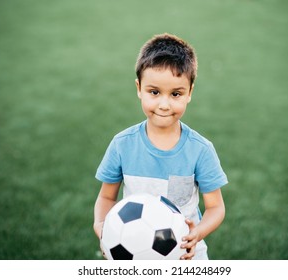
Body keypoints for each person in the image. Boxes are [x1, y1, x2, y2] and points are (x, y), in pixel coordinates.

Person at [93, 33, 228, 260]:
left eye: (176, 94)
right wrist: (102, 225)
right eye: (154, 92)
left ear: (190, 93)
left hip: (187, 255)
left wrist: (198, 233)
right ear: (139, 88)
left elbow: (216, 207)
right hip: (131, 251)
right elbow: (107, 197)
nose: (164, 104)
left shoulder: (200, 150)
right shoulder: (122, 145)